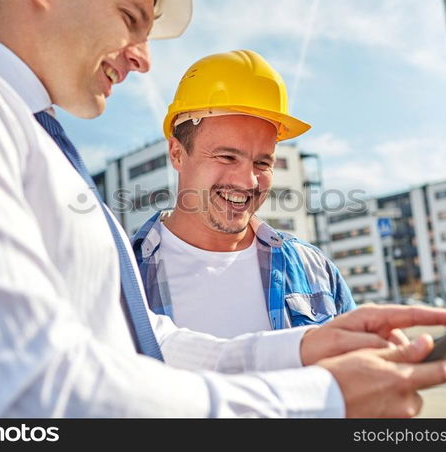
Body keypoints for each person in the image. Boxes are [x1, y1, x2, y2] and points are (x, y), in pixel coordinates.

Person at [0, 0, 446, 418]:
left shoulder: (35, 145)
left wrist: (305, 350)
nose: (144, 59)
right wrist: (319, 402)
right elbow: (11, 402)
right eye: (131, 19)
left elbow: (140, 344)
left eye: (263, 161)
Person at [132, 50, 356, 339]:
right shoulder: (123, 275)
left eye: (263, 162)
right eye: (226, 157)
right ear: (177, 153)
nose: (248, 181)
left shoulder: (314, 270)